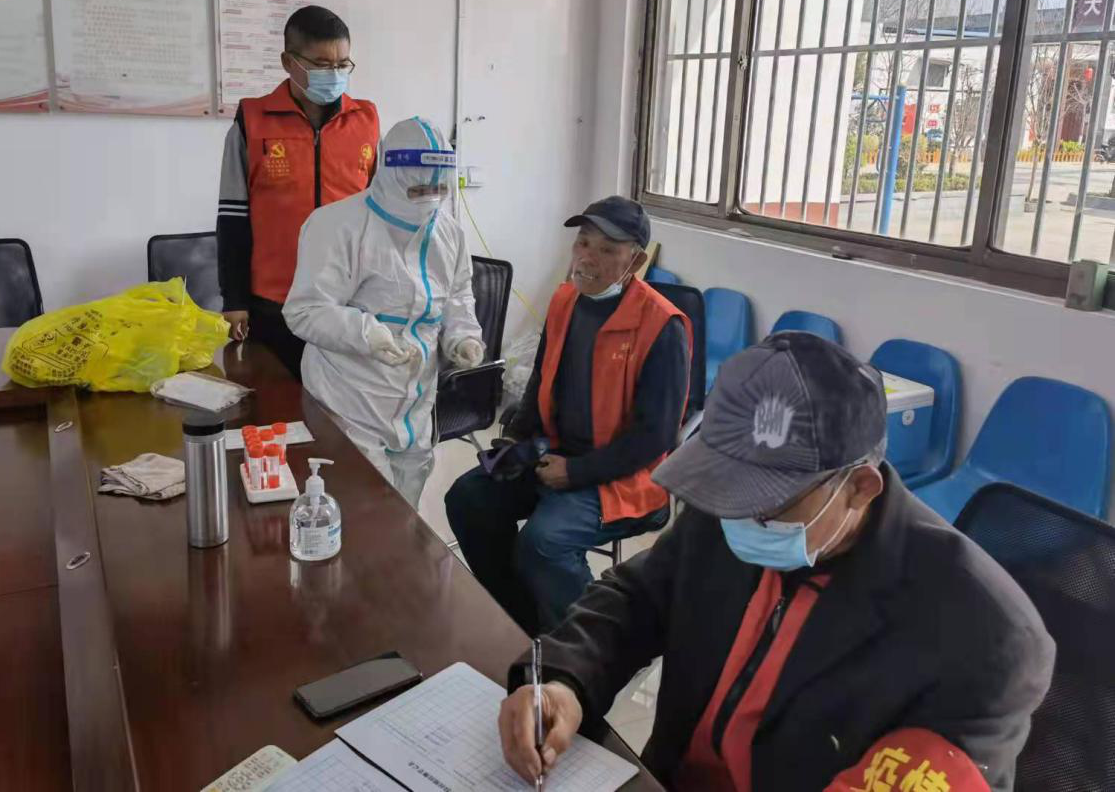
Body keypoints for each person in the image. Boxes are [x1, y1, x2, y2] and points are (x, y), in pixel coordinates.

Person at [497, 332, 1055, 792]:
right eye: (726, 491)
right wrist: (565, 682)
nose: (736, 515)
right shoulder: (729, 510)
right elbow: (637, 598)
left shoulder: (985, 638)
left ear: (859, 487)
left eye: (767, 502)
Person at [446, 196, 691, 634]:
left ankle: (588, 644)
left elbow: (656, 437)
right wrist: (517, 437)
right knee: (468, 499)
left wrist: (577, 472)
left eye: (607, 249)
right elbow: (543, 377)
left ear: (635, 261)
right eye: (583, 242)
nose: (587, 258)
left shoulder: (661, 326)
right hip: (555, 453)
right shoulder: (565, 301)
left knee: (544, 543)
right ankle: (523, 622)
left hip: (624, 477)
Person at [283, 117, 485, 507]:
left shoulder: (449, 232)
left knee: (406, 508)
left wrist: (463, 335)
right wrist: (368, 334)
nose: (429, 200)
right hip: (349, 398)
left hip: (416, 400)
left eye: (438, 190)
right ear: (389, 174)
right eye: (418, 189)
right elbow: (305, 311)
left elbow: (458, 293)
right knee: (364, 509)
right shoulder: (338, 226)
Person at [217, 5, 379, 380]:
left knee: (341, 405)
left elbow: (380, 215)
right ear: (289, 62)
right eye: (321, 65)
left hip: (347, 302)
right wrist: (234, 299)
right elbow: (232, 218)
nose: (334, 74)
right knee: (277, 401)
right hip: (274, 301)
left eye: (342, 64)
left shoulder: (366, 122)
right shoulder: (252, 122)